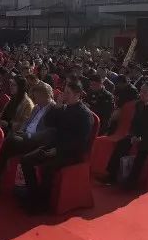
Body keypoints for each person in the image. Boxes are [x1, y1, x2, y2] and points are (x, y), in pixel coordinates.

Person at [19, 81, 93, 213]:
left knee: (47, 166)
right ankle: (34, 195)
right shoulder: (63, 108)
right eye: (64, 92)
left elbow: (80, 142)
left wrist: (58, 150)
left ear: (78, 94)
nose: (65, 95)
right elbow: (49, 122)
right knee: (26, 160)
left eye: (68, 93)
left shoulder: (84, 114)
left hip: (71, 152)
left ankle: (42, 204)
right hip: (55, 146)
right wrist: (57, 107)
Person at [101, 82, 148, 189]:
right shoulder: (139, 104)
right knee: (122, 143)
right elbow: (134, 123)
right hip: (140, 134)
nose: (141, 94)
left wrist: (141, 138)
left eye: (144, 92)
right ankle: (111, 175)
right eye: (140, 91)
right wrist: (133, 135)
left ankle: (131, 182)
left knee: (143, 147)